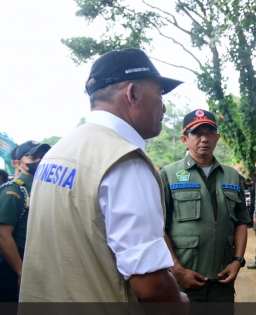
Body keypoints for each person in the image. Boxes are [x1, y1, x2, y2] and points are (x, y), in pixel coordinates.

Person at [20, 48, 188, 303]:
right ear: (132, 93)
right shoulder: (123, 161)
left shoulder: (59, 151)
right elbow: (151, 285)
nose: (163, 107)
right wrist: (180, 304)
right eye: (159, 94)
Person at [160, 109, 251, 304]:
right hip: (184, 278)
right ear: (185, 139)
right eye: (197, 133)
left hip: (222, 278)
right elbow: (158, 227)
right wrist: (176, 269)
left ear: (217, 137)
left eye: (209, 133)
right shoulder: (168, 174)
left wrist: (237, 261)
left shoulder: (232, 176)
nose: (204, 139)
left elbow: (241, 222)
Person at [0, 141, 50, 302]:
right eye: (33, 157)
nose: (39, 161)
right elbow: (3, 235)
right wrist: (21, 272)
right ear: (16, 163)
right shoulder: (14, 191)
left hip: (38, 263)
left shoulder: (44, 188)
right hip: (14, 266)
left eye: (43, 157)